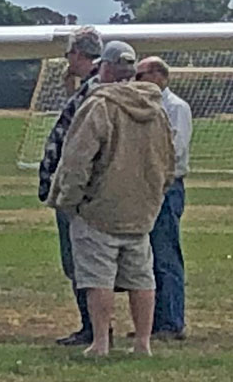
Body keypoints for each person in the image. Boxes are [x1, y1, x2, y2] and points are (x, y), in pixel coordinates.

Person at [48, 41, 174, 357]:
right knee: (141, 277)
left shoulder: (99, 105)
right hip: (141, 210)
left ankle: (101, 342)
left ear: (104, 68)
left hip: (99, 210)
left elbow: (77, 159)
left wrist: (69, 199)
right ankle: (143, 342)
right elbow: (168, 159)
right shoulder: (156, 109)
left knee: (97, 278)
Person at [37, 26, 104, 346]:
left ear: (78, 54)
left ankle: (93, 327)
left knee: (80, 260)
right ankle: (93, 325)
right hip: (82, 190)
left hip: (78, 192)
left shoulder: (93, 90)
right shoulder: (92, 89)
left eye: (69, 54)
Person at [136, 56, 193, 340]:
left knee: (166, 253)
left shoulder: (176, 108)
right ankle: (152, 322)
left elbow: (175, 150)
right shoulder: (147, 108)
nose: (137, 81)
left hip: (167, 188)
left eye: (141, 75)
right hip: (147, 187)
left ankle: (172, 322)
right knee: (147, 256)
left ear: (159, 76)